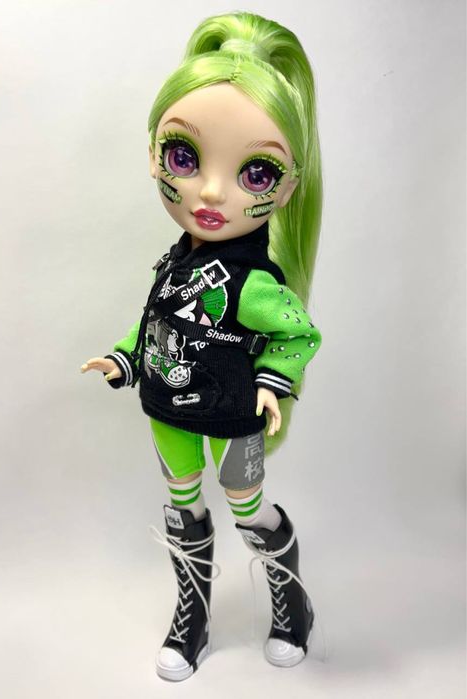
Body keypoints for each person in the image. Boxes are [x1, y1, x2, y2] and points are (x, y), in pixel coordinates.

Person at [81, 11, 323, 681]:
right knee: (183, 507)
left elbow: (299, 333)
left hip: (236, 414)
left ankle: (291, 606)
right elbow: (155, 320)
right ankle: (194, 618)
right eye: (184, 158)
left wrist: (272, 381)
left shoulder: (253, 284)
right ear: (152, 154)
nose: (210, 191)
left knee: (247, 507)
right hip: (168, 408)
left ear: (288, 186)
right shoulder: (174, 261)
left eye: (256, 172)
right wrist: (123, 357)